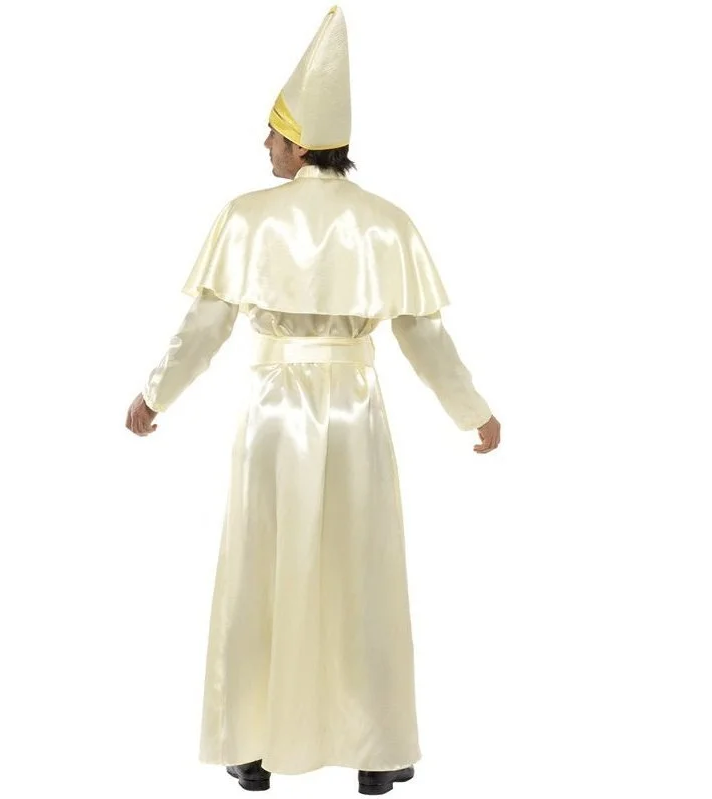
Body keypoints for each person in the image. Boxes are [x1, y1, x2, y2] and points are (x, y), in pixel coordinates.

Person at [125, 6, 501, 794]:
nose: (264, 144)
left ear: (299, 144)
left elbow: (205, 326)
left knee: (262, 563)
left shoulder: (245, 217)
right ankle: (377, 749)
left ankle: (252, 742)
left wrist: (155, 395)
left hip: (273, 409)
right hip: (354, 408)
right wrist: (471, 410)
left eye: (272, 133)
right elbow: (422, 336)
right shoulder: (386, 223)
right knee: (361, 568)